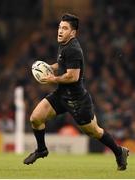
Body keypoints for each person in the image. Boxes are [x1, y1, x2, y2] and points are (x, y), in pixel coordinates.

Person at [24, 13, 129, 170]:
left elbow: (73, 76)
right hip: (61, 95)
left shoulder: (73, 49)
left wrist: (53, 79)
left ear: (73, 33)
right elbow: (62, 64)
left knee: (94, 131)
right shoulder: (64, 44)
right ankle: (41, 149)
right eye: (60, 27)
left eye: (65, 28)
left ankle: (119, 151)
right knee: (35, 118)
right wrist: (48, 68)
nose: (60, 31)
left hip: (77, 100)